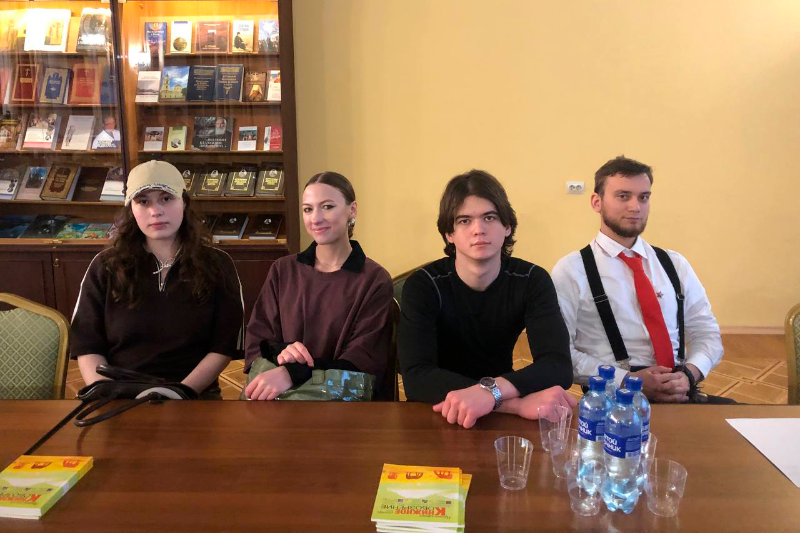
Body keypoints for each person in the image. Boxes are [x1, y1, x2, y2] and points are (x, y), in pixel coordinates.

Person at [398, 169, 576, 429]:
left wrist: (489, 394)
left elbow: (558, 366)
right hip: (436, 407)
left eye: (489, 217)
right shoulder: (423, 284)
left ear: (507, 226)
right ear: (449, 234)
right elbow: (417, 378)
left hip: (500, 405)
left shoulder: (531, 279)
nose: (478, 230)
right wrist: (511, 404)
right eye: (464, 221)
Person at [551, 155, 728, 403]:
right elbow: (559, 354)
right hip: (612, 399)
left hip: (681, 392)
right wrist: (625, 379)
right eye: (623, 196)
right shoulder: (571, 270)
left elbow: (706, 332)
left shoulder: (674, 263)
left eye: (643, 197)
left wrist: (689, 374)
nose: (635, 207)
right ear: (596, 202)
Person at [71, 160, 244, 399]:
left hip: (193, 397)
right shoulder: (105, 266)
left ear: (184, 202)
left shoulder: (217, 264)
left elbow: (224, 345)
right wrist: (106, 393)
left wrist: (178, 393)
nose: (155, 211)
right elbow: (87, 344)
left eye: (166, 198)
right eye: (143, 201)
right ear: (131, 208)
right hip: (119, 396)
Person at [244, 171, 393, 400]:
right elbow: (258, 339)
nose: (315, 218)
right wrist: (283, 353)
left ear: (352, 210)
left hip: (345, 408)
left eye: (327, 207)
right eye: (308, 209)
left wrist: (294, 372)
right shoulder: (283, 270)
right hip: (279, 397)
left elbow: (363, 360)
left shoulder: (375, 279)